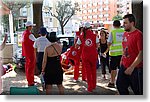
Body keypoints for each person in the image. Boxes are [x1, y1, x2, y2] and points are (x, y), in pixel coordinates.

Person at [116, 14, 143, 95]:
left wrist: (132, 67)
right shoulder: (125, 34)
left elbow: (142, 53)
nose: (123, 25)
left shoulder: (138, 35)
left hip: (136, 69)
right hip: (124, 66)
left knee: (138, 91)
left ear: (132, 23)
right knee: (120, 86)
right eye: (123, 23)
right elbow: (124, 48)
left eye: (125, 23)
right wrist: (121, 60)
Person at [76, 22, 99, 92]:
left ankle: (90, 87)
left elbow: (77, 45)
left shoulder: (81, 36)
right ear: (90, 28)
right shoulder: (95, 35)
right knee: (93, 70)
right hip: (93, 55)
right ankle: (94, 85)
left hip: (85, 56)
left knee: (88, 72)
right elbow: (97, 45)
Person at [107, 20, 124, 88]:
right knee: (121, 68)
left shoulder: (112, 32)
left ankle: (112, 82)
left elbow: (109, 43)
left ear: (113, 25)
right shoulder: (124, 31)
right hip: (122, 53)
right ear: (120, 25)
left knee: (113, 69)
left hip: (114, 54)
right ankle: (122, 82)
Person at [22, 21, 36, 86]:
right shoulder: (30, 35)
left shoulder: (24, 33)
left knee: (28, 67)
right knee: (31, 67)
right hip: (30, 53)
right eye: (31, 26)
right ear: (29, 27)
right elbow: (36, 42)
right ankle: (31, 81)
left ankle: (30, 80)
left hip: (26, 53)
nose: (32, 27)